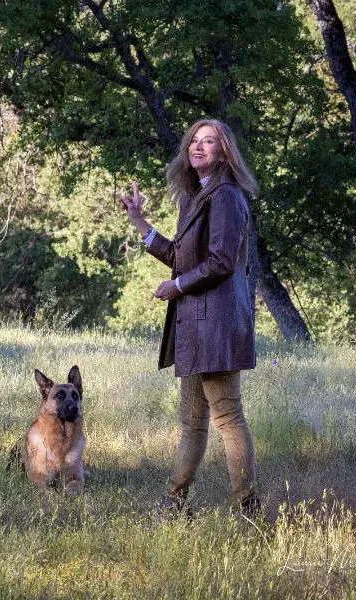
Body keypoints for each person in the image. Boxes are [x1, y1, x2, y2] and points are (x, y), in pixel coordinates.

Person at [120, 119, 262, 518]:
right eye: (194, 141)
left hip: (217, 324)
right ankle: (174, 502)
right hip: (194, 327)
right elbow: (179, 258)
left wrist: (178, 286)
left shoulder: (227, 196)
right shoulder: (195, 197)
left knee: (228, 416)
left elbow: (221, 263)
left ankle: (247, 509)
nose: (198, 147)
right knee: (192, 421)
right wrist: (140, 222)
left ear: (224, 152)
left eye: (209, 141)